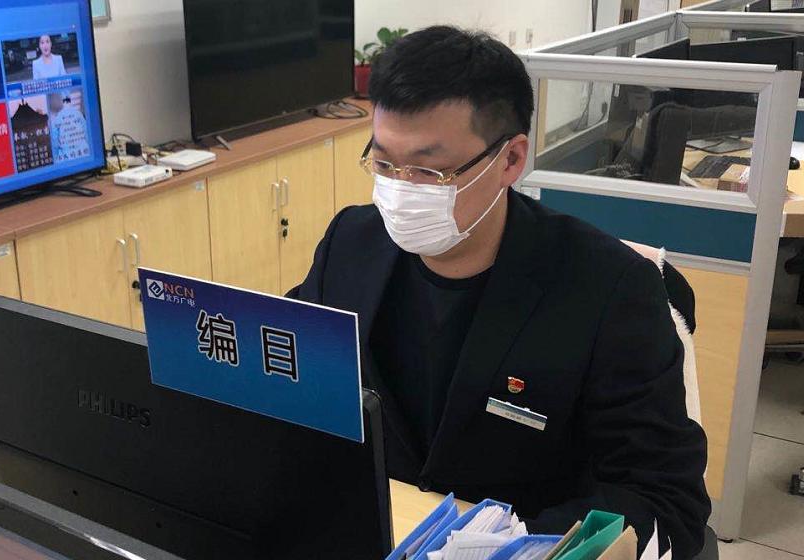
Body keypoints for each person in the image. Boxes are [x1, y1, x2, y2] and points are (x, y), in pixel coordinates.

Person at [288, 26, 710, 558]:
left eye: (429, 169)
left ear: (510, 160)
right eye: (384, 163)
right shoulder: (351, 241)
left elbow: (664, 498)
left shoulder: (610, 289)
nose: (399, 188)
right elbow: (292, 379)